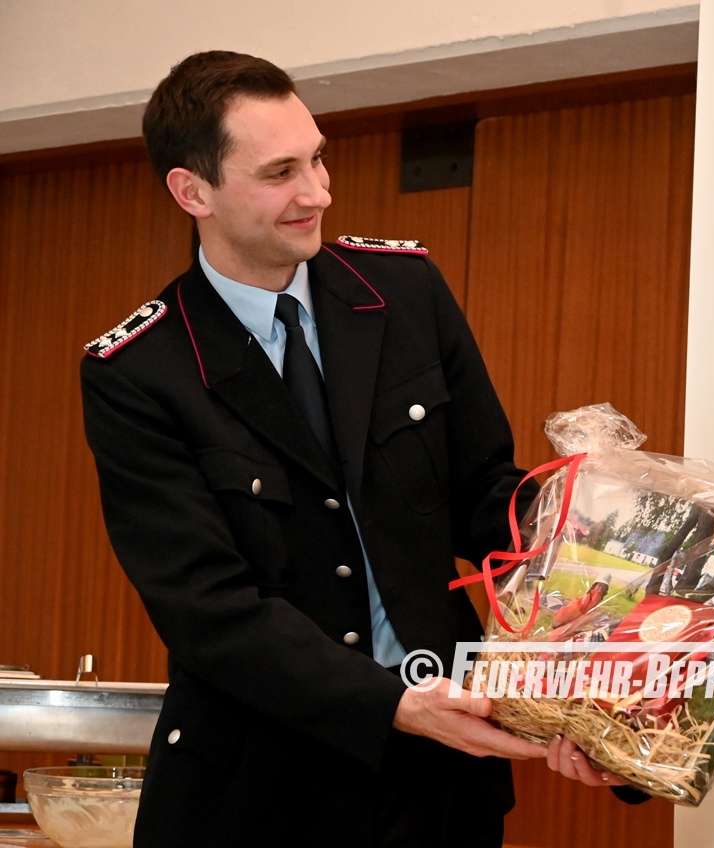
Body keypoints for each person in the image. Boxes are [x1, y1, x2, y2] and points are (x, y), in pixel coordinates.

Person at [79, 51, 546, 848]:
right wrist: (391, 704)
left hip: (441, 779)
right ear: (193, 192)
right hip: (260, 791)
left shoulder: (403, 290)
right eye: (280, 173)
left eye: (318, 158)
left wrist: (602, 542)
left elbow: (483, 493)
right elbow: (209, 610)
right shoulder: (140, 371)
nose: (318, 192)